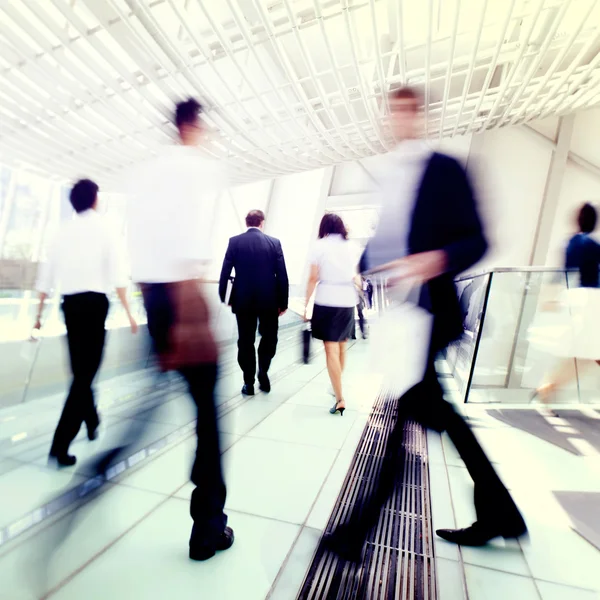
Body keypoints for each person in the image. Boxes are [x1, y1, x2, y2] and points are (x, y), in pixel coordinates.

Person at [324, 86, 526, 560]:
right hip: (402, 316)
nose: (397, 121)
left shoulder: (444, 170)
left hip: (429, 313)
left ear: (420, 117)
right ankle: (501, 514)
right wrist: (368, 263)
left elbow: (477, 239)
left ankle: (358, 532)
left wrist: (435, 260)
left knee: (401, 423)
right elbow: (389, 240)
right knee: (434, 416)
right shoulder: (391, 176)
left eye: (405, 112)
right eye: (390, 113)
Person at [126, 98, 233, 561]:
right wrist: (191, 316)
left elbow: (139, 244)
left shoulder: (148, 172)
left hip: (154, 299)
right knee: (208, 419)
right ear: (195, 126)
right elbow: (189, 241)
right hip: (184, 300)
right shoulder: (194, 168)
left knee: (139, 421)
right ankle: (207, 530)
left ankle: (81, 493)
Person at [34, 179, 138, 468]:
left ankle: (92, 420)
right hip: (94, 306)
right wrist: (129, 312)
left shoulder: (59, 231)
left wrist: (37, 318)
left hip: (70, 306)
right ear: (95, 199)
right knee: (85, 374)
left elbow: (46, 277)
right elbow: (118, 275)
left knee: (81, 371)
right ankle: (60, 444)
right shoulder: (106, 228)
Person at [531, 202, 600, 412]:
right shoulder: (591, 244)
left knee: (585, 352)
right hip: (591, 300)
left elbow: (561, 273)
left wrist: (549, 297)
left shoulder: (568, 243)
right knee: (590, 352)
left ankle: (547, 387)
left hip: (575, 298)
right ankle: (547, 387)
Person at [218, 210, 289, 396]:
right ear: (262, 223)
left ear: (246, 221)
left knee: (245, 340)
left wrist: (224, 297)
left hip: (243, 300)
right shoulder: (274, 243)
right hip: (269, 300)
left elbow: (225, 271)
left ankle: (248, 382)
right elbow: (282, 275)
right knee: (269, 337)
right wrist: (283, 302)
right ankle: (263, 372)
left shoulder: (235, 242)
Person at [304, 213, 359, 415]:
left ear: (324, 227)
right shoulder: (351, 246)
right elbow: (355, 274)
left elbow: (312, 278)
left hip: (326, 299)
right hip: (346, 300)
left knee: (330, 349)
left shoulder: (319, 245)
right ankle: (337, 386)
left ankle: (340, 398)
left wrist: (306, 303)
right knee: (342, 345)